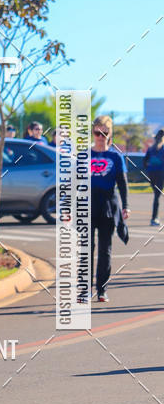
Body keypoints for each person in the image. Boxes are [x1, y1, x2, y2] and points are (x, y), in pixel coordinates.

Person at [90, 115, 130, 302]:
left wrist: (126, 206)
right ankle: (84, 289)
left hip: (108, 205)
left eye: (104, 133)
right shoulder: (83, 156)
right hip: (87, 205)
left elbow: (122, 183)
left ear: (109, 134)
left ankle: (102, 290)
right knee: (86, 249)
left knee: (105, 250)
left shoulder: (116, 156)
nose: (101, 137)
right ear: (93, 132)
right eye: (97, 132)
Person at [142, 128, 164, 226]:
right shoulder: (161, 148)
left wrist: (148, 169)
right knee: (157, 196)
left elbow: (144, 161)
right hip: (160, 174)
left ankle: (155, 217)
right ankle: (154, 218)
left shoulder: (150, 148)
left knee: (156, 195)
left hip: (151, 174)